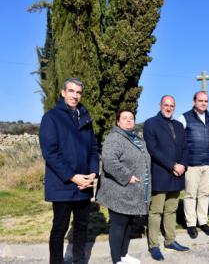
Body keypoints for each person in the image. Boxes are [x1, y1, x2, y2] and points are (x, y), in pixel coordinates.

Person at [39, 78, 99, 264]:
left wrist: (93, 172)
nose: (75, 95)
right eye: (71, 91)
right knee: (59, 228)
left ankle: (79, 261)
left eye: (78, 92)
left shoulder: (85, 117)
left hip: (84, 184)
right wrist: (73, 177)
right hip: (63, 184)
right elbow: (51, 153)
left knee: (82, 226)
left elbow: (93, 148)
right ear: (63, 93)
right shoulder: (51, 118)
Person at [96, 110, 151, 264]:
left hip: (132, 192)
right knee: (118, 225)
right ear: (118, 122)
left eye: (131, 118)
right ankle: (116, 259)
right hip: (118, 191)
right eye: (124, 118)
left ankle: (123, 255)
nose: (128, 120)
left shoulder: (136, 138)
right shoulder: (114, 138)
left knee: (128, 224)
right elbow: (109, 161)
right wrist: (127, 176)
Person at [144, 95, 190, 261]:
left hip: (177, 175)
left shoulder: (178, 125)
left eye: (172, 105)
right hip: (161, 173)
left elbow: (185, 148)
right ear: (160, 105)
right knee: (156, 211)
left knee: (171, 209)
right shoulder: (151, 123)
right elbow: (153, 149)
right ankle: (154, 245)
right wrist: (172, 165)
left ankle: (170, 240)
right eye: (166, 105)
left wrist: (183, 165)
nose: (169, 108)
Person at [178, 91, 209, 239]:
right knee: (190, 195)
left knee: (204, 194)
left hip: (208, 163)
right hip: (192, 163)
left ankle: (203, 221)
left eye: (206, 101)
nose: (203, 103)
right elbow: (179, 141)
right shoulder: (184, 117)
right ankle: (191, 224)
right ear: (194, 101)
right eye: (200, 100)